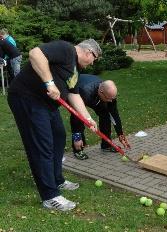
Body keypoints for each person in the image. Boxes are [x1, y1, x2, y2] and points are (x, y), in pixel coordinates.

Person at [7, 39, 102, 211]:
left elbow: (74, 95)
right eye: (94, 59)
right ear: (89, 52)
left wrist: (88, 118)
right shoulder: (66, 49)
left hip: (47, 105)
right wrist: (49, 82)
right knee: (42, 144)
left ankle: (57, 179)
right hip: (27, 98)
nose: (92, 63)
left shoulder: (75, 69)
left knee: (59, 136)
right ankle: (50, 196)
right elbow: (35, 53)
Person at [70, 74, 130, 160]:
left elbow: (114, 114)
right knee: (80, 119)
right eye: (108, 98)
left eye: (112, 99)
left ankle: (106, 145)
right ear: (101, 91)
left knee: (105, 115)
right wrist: (77, 137)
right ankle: (78, 150)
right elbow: (76, 115)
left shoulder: (109, 94)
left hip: (97, 98)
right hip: (79, 93)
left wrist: (120, 133)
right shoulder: (85, 92)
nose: (110, 101)